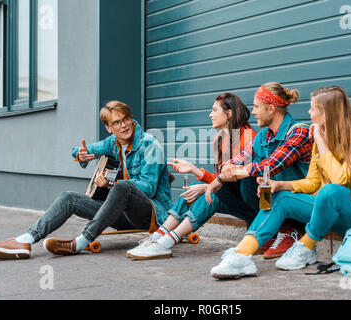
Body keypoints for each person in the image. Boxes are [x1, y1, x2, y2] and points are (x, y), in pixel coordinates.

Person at [210, 86, 351, 279]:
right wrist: (280, 185)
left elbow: (340, 180)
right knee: (281, 197)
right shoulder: (321, 138)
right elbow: (313, 182)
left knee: (329, 191)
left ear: (327, 113)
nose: (309, 113)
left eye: (313, 109)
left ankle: (306, 245)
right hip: (333, 210)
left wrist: (320, 142)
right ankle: (241, 255)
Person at [127, 82, 313, 260]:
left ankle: (289, 230)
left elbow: (272, 164)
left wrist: (223, 176)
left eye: (257, 107)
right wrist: (217, 179)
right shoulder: (261, 136)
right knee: (215, 188)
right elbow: (237, 160)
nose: (253, 112)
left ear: (271, 109)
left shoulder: (297, 132)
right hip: (268, 200)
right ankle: (163, 237)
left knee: (238, 181)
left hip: (297, 201)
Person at [0, 101, 172, 260]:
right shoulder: (112, 143)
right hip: (122, 215)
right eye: (117, 123)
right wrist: (81, 156)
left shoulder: (149, 144)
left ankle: (80, 242)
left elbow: (148, 188)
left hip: (151, 215)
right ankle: (26, 240)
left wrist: (110, 184)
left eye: (126, 119)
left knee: (122, 186)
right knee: (68, 197)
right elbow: (79, 149)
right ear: (109, 127)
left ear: (131, 119)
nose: (124, 126)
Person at [126, 92, 257, 259]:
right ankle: (159, 237)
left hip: (253, 205)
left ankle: (166, 242)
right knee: (194, 193)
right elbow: (221, 180)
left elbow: (239, 182)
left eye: (214, 110)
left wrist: (206, 187)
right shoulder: (220, 139)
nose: (210, 114)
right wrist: (195, 170)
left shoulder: (248, 138)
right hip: (232, 197)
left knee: (211, 194)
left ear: (229, 113)